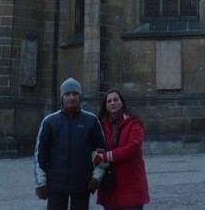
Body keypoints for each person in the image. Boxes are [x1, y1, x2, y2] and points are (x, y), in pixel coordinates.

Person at [33, 76, 106, 210]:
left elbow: (101, 151)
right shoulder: (50, 121)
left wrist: (97, 177)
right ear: (62, 97)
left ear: (80, 96)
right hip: (56, 183)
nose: (71, 98)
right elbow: (40, 154)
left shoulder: (91, 120)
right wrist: (41, 182)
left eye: (75, 94)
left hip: (82, 183)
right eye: (67, 94)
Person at [93, 87, 150, 209]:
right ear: (105, 106)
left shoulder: (134, 123)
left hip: (131, 183)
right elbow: (94, 147)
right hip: (110, 185)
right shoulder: (100, 126)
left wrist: (106, 156)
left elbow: (132, 148)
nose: (112, 103)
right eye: (109, 101)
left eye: (115, 100)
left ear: (122, 102)